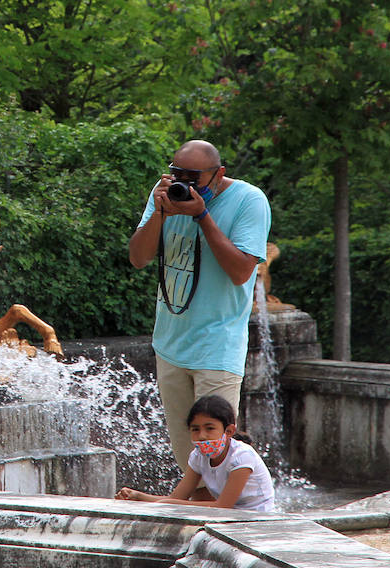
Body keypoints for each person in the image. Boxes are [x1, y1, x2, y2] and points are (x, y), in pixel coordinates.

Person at [128, 139, 271, 470]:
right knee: (188, 461)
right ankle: (195, 505)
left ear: (219, 174)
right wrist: (159, 213)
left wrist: (202, 216)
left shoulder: (249, 200)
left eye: (194, 178)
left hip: (217, 349)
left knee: (216, 456)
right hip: (170, 346)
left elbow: (240, 272)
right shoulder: (165, 194)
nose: (185, 185)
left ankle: (229, 506)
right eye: (178, 174)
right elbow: (138, 257)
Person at [115, 395, 275, 511]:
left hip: (256, 519)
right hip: (230, 518)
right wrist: (138, 497)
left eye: (210, 428)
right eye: (195, 429)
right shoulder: (198, 457)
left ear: (229, 431)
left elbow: (223, 506)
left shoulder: (241, 457)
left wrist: (174, 505)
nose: (202, 436)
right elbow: (176, 498)